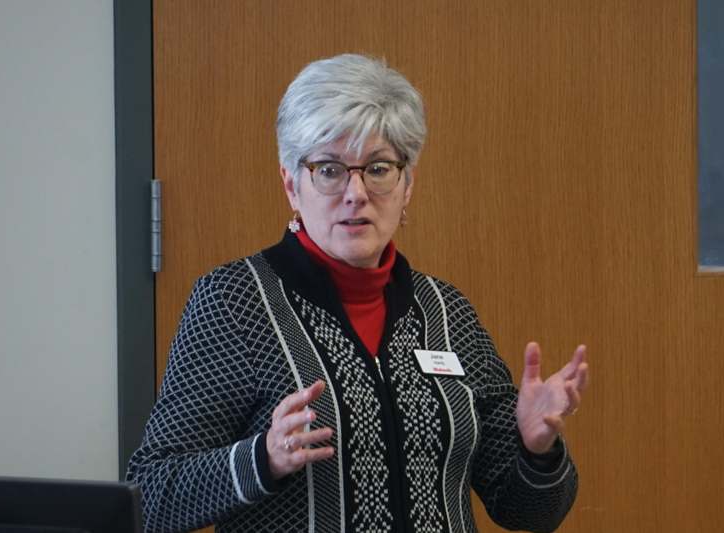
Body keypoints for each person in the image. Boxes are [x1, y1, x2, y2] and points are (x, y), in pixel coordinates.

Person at [127, 53, 589, 533]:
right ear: (291, 184)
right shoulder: (234, 302)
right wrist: (261, 458)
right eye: (329, 169)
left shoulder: (446, 312)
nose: (356, 192)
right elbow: (153, 495)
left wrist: (538, 449)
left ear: (407, 184)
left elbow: (527, 511)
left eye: (379, 168)